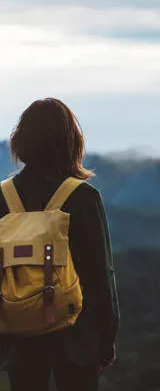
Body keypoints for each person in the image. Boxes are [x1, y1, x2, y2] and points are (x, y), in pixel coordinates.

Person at [0, 98, 120, 391]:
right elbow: (100, 275)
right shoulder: (83, 196)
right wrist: (106, 340)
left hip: (19, 336)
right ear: (71, 142)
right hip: (76, 336)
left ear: (20, 141)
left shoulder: (4, 196)